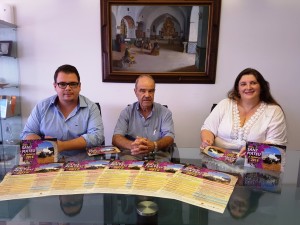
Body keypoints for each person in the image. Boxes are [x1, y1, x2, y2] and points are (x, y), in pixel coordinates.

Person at [21, 64, 104, 161]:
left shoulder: (91, 108)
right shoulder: (41, 107)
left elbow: (97, 136)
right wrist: (45, 144)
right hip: (47, 160)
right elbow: (27, 134)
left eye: (73, 84)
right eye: (62, 84)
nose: (68, 88)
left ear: (79, 86)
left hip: (82, 163)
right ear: (55, 86)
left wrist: (62, 145)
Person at [200, 68, 287, 156]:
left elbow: (276, 143)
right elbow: (208, 128)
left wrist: (254, 150)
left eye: (253, 83)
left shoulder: (274, 111)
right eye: (243, 84)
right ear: (238, 88)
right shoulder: (225, 104)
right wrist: (207, 141)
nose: (248, 87)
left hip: (255, 163)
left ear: (261, 87)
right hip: (218, 158)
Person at [112, 74, 175, 161]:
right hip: (132, 154)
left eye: (151, 91)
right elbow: (116, 138)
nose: (147, 95)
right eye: (142, 91)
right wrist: (133, 145)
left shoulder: (165, 112)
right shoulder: (126, 112)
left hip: (157, 155)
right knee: (129, 170)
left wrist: (154, 145)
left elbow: (169, 137)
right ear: (135, 92)